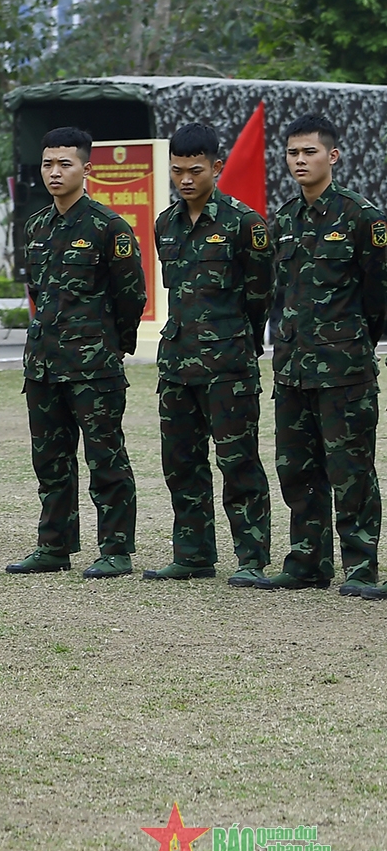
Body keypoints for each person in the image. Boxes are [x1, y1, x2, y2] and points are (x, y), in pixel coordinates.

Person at [6, 127, 149, 579]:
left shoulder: (110, 228)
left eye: (64, 164)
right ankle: (54, 546)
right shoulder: (37, 226)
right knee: (50, 462)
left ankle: (116, 550)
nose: (54, 172)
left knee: (105, 460)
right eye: (48, 164)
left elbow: (132, 297)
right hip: (44, 366)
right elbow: (38, 293)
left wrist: (113, 346)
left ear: (87, 170)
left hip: (93, 367)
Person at [263, 113, 387, 597]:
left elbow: (380, 293)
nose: (299, 161)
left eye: (309, 152)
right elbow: (277, 292)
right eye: (292, 153)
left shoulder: (362, 217)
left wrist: (353, 342)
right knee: (297, 469)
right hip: (293, 369)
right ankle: (307, 563)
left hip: (343, 370)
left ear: (332, 155)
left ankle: (360, 567)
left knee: (350, 470)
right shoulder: (285, 219)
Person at [146, 123, 274, 585]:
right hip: (177, 363)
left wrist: (240, 341)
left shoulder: (246, 224)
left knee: (237, 461)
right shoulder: (165, 223)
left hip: (228, 365)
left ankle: (251, 557)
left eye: (195, 170)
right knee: (181, 462)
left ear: (216, 167)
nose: (185, 180)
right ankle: (194, 554)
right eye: (177, 171)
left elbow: (260, 295)